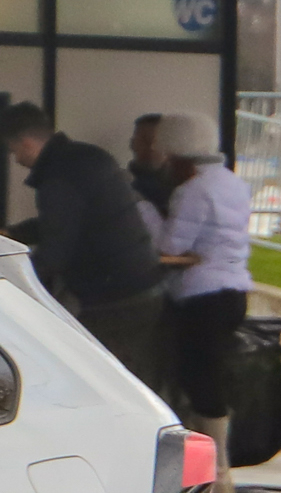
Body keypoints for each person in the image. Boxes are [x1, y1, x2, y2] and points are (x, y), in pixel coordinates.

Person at [0, 102, 168, 386]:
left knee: (103, 382)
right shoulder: (87, 158)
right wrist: (12, 234)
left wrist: (10, 282)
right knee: (127, 379)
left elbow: (55, 252)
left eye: (13, 150)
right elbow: (65, 222)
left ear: (27, 143)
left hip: (116, 299)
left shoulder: (58, 179)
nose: (16, 160)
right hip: (141, 286)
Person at [153, 111, 252, 493]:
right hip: (234, 290)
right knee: (210, 377)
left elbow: (171, 245)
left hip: (200, 292)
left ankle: (214, 473)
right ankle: (212, 470)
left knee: (197, 380)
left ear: (179, 156)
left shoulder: (191, 190)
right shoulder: (233, 184)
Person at [128, 114, 172, 218]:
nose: (152, 148)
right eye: (145, 141)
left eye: (156, 141)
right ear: (133, 143)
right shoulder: (122, 184)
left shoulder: (183, 186)